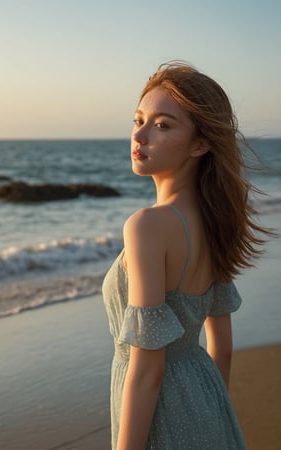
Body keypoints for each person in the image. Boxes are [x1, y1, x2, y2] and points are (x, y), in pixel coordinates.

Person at [102, 62, 267, 450]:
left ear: (200, 144)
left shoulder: (147, 226)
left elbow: (147, 369)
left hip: (160, 413)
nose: (139, 135)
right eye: (139, 120)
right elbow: (221, 347)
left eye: (162, 125)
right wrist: (210, 411)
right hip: (206, 400)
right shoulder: (216, 222)